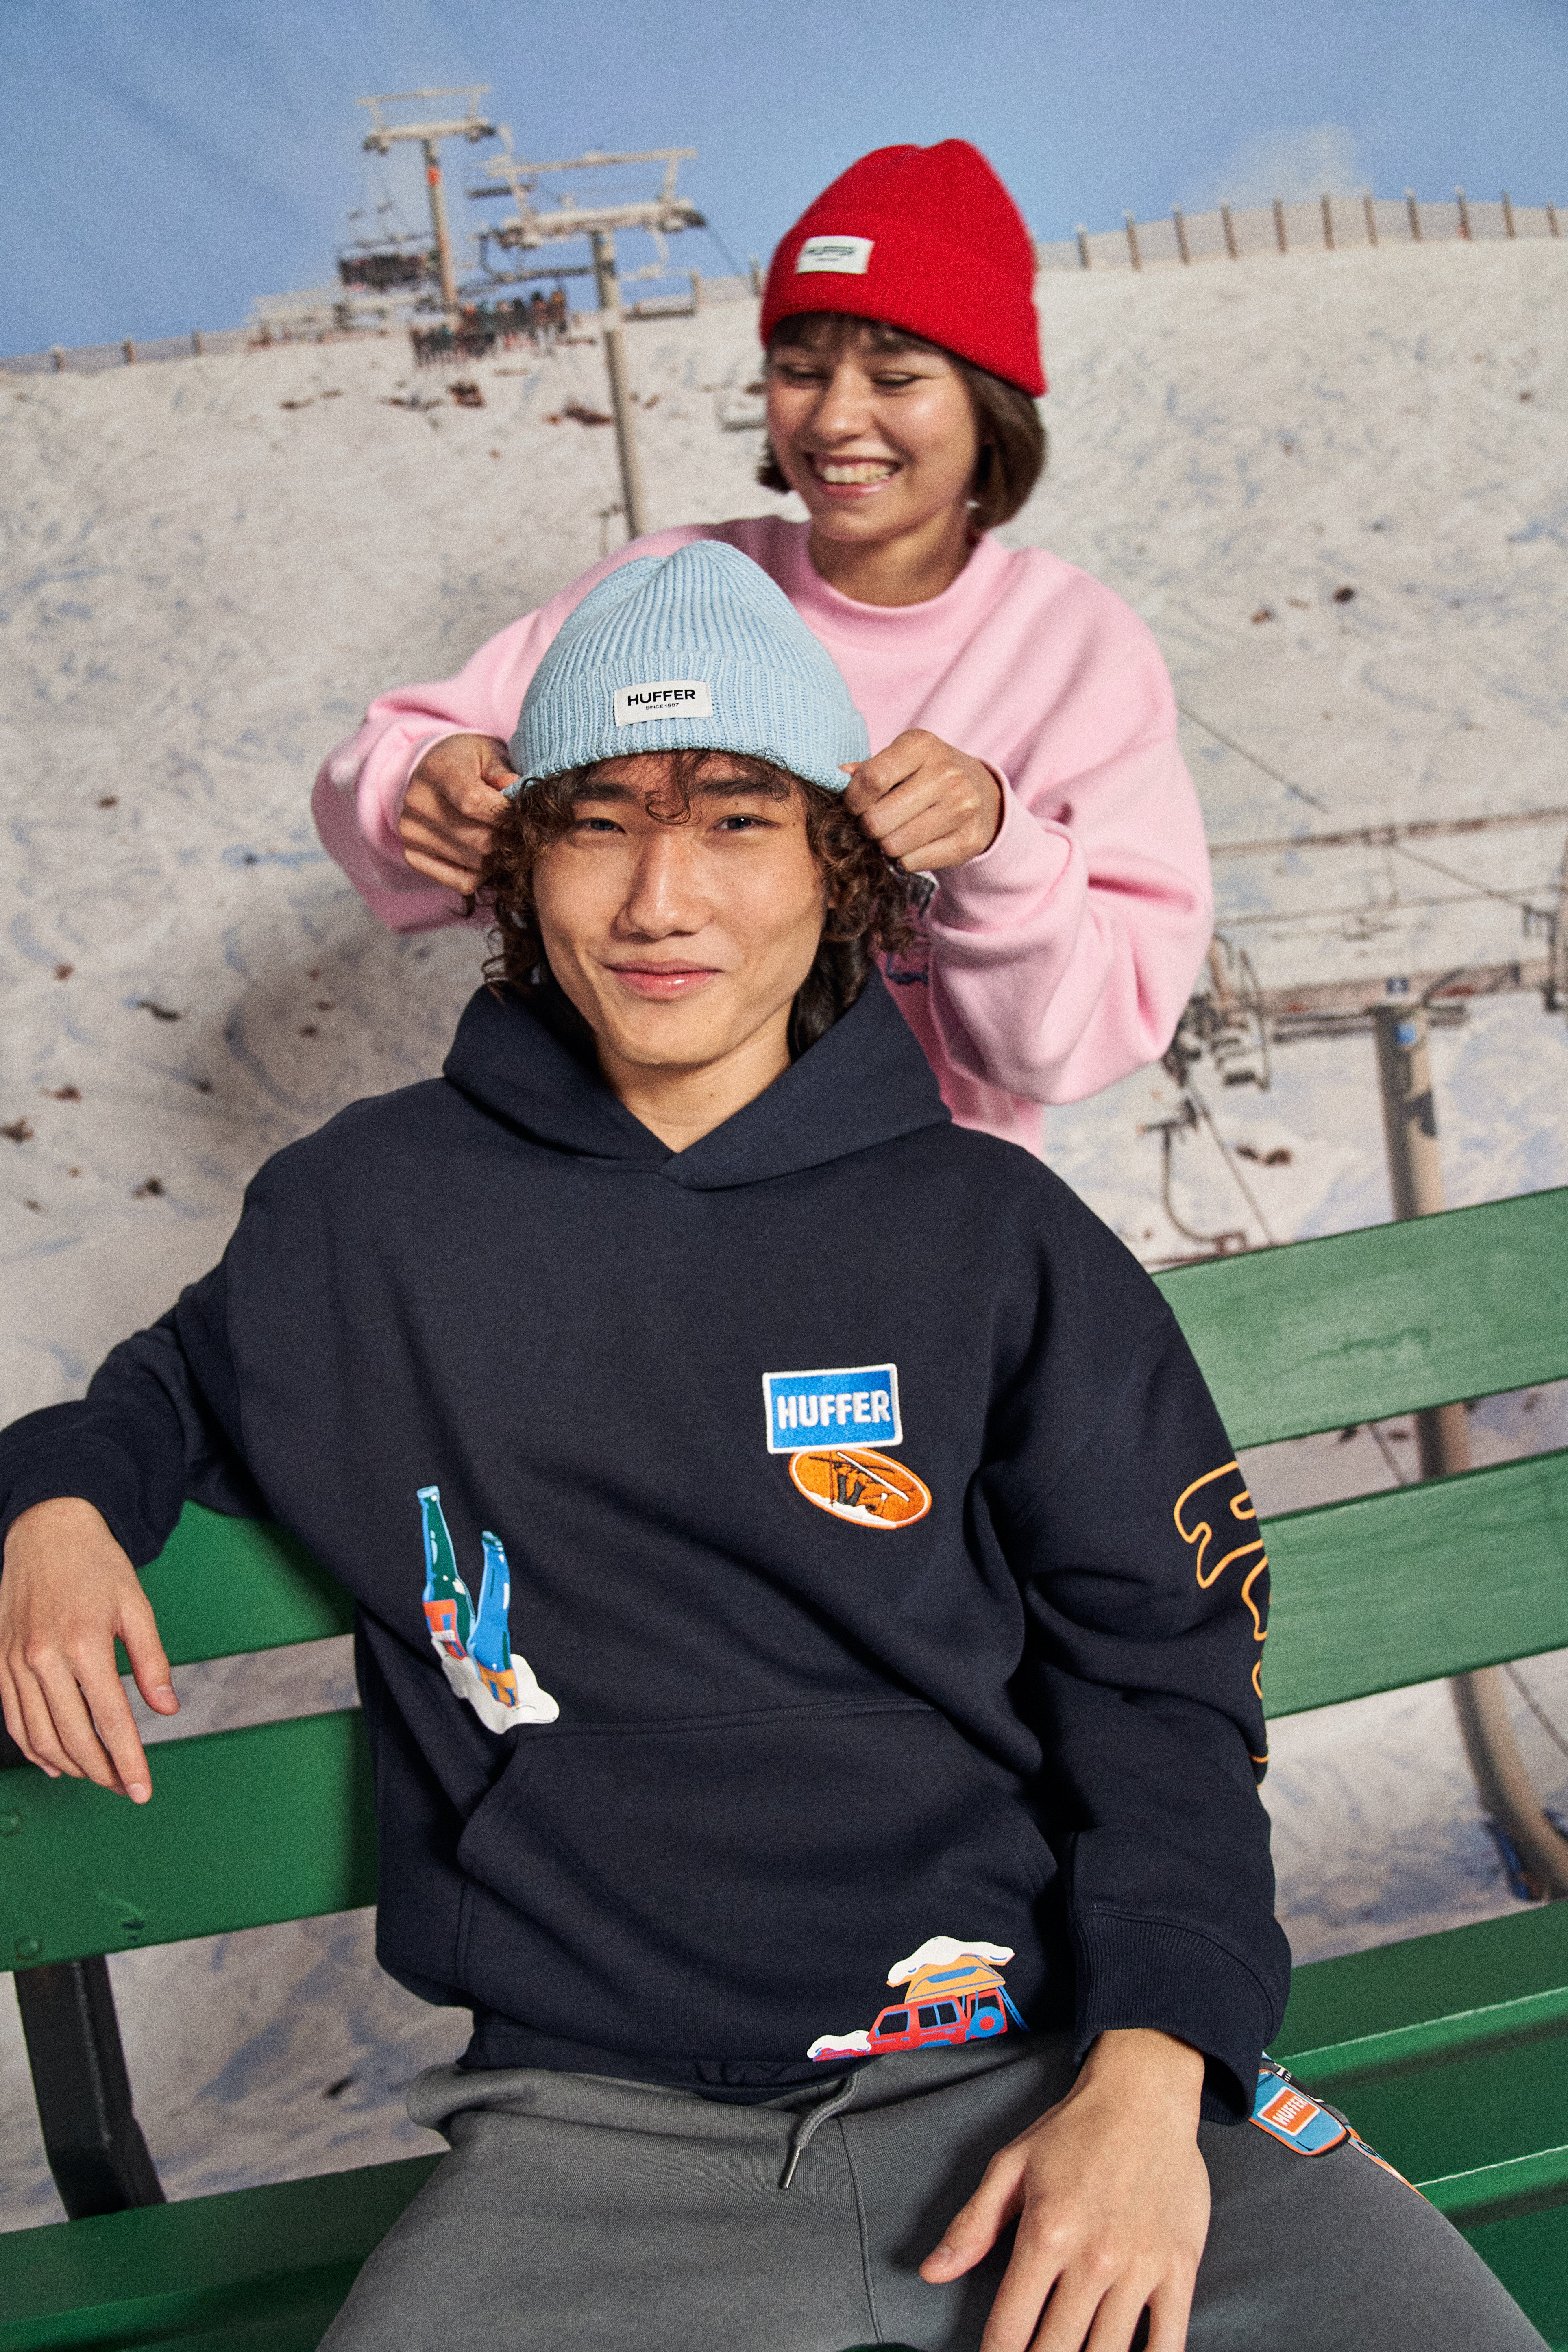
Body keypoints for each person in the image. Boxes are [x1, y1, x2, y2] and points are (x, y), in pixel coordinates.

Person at [0, 547, 1540, 2352]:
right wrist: (58, 1500)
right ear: (521, 866)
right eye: (597, 824)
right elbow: (167, 1390)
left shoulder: (993, 1238)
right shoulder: (369, 1217)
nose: (661, 898)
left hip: (1045, 2066)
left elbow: (1164, 1679)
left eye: (737, 821)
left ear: (840, 866)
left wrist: (1147, 2081)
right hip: (587, 2145)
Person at [313, 138, 1212, 1159]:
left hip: (908, 1203)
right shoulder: (666, 589)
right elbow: (377, 776)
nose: (835, 417)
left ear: (989, 401)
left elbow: (1078, 1040)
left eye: (894, 376)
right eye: (799, 371)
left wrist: (999, 847)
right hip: (622, 1180)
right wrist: (415, 787)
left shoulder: (1076, 648)